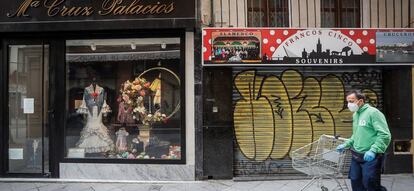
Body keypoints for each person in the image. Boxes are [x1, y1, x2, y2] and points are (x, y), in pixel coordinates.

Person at [336, 90, 391, 191]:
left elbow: (384, 134)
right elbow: (356, 134)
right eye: (347, 101)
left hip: (370, 157)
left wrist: (374, 150)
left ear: (360, 101)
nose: (349, 104)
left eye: (351, 101)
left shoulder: (373, 113)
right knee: (355, 182)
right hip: (356, 155)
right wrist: (346, 144)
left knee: (370, 183)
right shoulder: (356, 115)